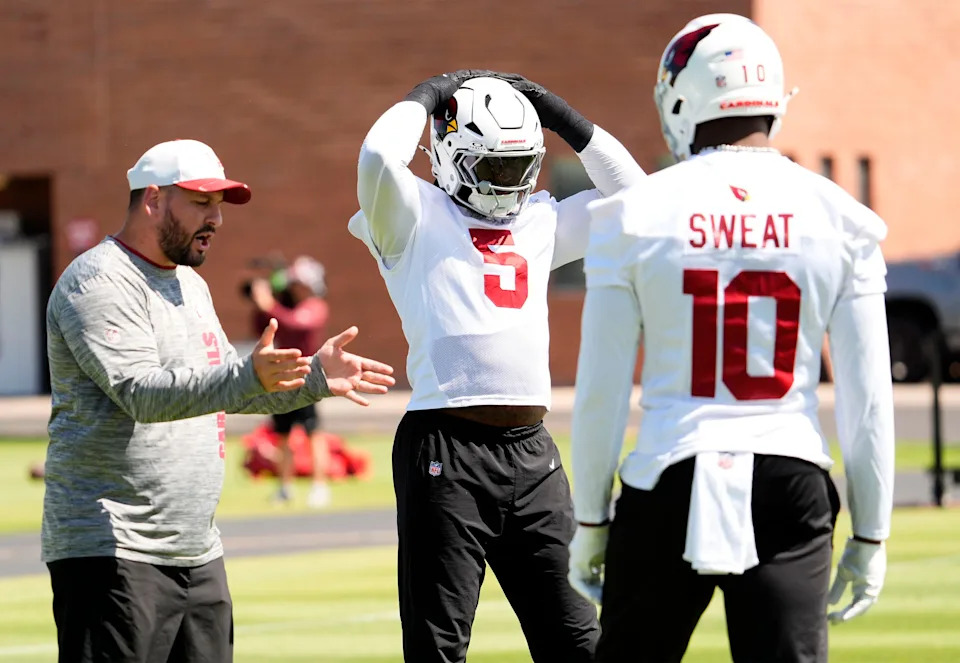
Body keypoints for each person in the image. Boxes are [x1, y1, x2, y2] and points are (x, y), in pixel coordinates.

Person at [567, 14, 894, 663]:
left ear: (683, 96)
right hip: (791, 476)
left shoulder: (633, 213)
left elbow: (599, 391)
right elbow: (868, 399)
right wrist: (872, 532)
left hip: (668, 471)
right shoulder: (842, 217)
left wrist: (590, 521)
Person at [43, 138, 395, 663]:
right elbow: (142, 393)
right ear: (154, 200)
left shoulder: (191, 285)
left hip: (197, 552)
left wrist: (314, 379)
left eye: (220, 205)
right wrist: (243, 374)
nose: (217, 219)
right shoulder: (98, 282)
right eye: (202, 203)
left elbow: (227, 388)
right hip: (112, 552)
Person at [349, 71, 645, 662]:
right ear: (452, 156)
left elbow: (638, 198)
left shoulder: (539, 219)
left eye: (518, 167)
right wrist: (426, 96)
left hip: (532, 452)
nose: (508, 184)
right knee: (439, 646)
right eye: (493, 167)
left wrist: (558, 112)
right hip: (446, 446)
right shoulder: (412, 217)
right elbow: (381, 154)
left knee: (581, 639)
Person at [249, 255, 333, 507]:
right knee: (282, 434)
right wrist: (262, 304)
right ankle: (284, 486)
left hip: (306, 376)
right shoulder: (286, 305)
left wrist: (269, 304)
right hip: (282, 376)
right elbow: (263, 326)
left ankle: (320, 486)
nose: (294, 288)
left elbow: (296, 325)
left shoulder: (315, 305)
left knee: (312, 432)